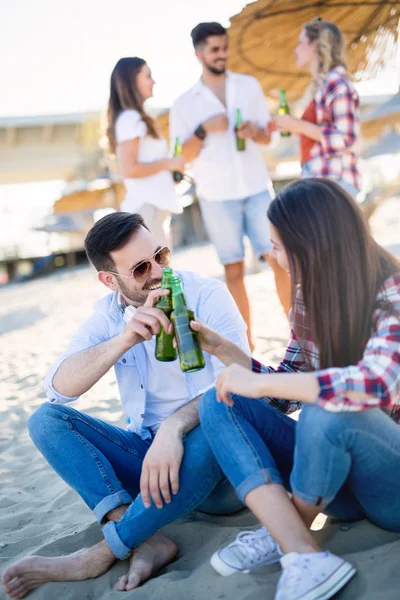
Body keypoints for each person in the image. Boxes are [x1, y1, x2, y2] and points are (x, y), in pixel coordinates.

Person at [1, 212, 250, 599]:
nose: (156, 272)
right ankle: (141, 537)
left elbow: (239, 383)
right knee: (45, 421)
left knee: (216, 416)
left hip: (216, 463)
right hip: (151, 464)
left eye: (160, 256)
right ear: (109, 280)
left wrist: (174, 428)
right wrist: (123, 340)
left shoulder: (206, 294)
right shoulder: (108, 316)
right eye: (139, 268)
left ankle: (107, 548)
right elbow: (59, 388)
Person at [194, 178, 400, 600]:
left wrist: (261, 380)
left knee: (329, 408)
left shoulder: (392, 292)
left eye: (280, 245)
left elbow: (375, 384)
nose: (274, 256)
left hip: (389, 485)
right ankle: (299, 547)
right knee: (220, 403)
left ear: (314, 244)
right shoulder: (309, 296)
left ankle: (287, 528)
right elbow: (287, 385)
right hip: (331, 484)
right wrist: (231, 356)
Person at [170, 22, 291, 351]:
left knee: (280, 260)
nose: (222, 55)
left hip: (255, 187)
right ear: (198, 54)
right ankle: (246, 347)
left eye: (224, 48)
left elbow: (270, 136)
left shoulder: (249, 86)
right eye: (214, 49)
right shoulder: (184, 105)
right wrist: (203, 129)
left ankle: (298, 334)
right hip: (216, 196)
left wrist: (256, 131)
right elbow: (180, 158)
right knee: (233, 271)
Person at [271, 18, 361, 198]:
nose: (295, 50)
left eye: (300, 43)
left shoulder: (337, 84)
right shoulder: (321, 87)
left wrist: (296, 125)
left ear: (315, 45)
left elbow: (345, 139)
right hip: (320, 179)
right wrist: (291, 126)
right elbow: (318, 138)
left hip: (334, 182)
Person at [107, 57, 184, 247]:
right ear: (132, 81)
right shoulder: (130, 119)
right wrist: (169, 163)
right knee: (162, 274)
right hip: (147, 209)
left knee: (163, 273)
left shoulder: (135, 118)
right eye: (148, 76)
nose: (154, 82)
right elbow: (129, 169)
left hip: (153, 209)